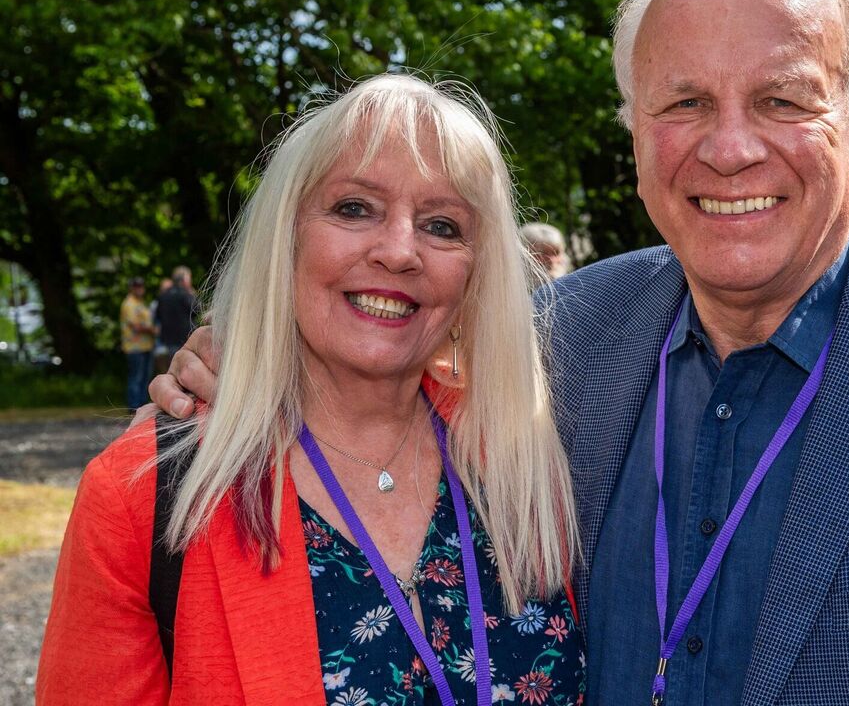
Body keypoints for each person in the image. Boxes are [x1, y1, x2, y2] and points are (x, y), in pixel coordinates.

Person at [145, 0, 849, 704]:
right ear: (637, 134)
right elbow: (376, 346)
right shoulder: (568, 332)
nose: (729, 146)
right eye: (684, 102)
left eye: (783, 100)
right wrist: (240, 355)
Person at [39, 75, 585, 705]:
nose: (400, 251)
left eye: (442, 225)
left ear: (476, 274)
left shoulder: (530, 455)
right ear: (285, 237)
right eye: (355, 208)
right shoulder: (144, 499)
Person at [119, 276, 156, 411]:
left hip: (146, 346)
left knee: (144, 377)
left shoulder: (141, 303)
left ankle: (142, 405)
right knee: (136, 377)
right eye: (136, 286)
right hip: (134, 347)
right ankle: (134, 407)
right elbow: (136, 326)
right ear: (131, 288)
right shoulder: (129, 304)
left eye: (141, 286)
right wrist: (154, 330)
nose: (139, 289)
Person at [155, 265, 199, 368]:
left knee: (173, 367)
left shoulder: (163, 295)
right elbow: (197, 309)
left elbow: (158, 315)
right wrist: (193, 294)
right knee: (186, 367)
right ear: (184, 279)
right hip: (186, 338)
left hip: (168, 339)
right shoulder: (185, 294)